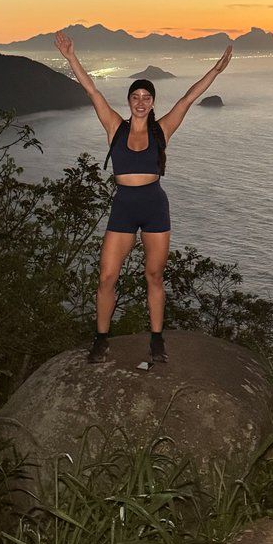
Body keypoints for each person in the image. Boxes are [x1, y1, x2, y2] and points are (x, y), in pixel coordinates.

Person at [54, 30, 232, 364]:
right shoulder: (114, 128)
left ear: (152, 103)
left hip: (153, 206)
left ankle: (156, 341)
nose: (140, 101)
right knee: (107, 276)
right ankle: (101, 339)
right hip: (123, 207)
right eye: (135, 96)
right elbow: (91, 89)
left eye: (145, 97)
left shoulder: (161, 130)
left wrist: (216, 71)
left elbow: (187, 99)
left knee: (154, 275)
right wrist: (70, 58)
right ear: (129, 101)